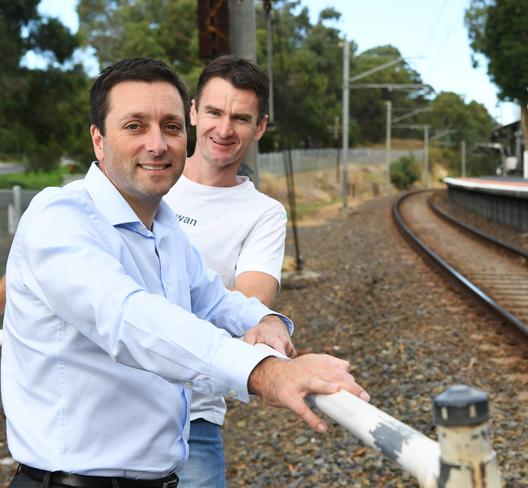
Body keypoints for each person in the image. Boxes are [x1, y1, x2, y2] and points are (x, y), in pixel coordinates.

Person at [1, 57, 369, 488]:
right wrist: (266, 371)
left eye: (171, 127)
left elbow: (214, 299)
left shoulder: (166, 228)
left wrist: (263, 320)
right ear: (98, 140)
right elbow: (129, 319)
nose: (157, 144)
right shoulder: (61, 216)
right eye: (135, 126)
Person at [164, 56, 284, 488]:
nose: (224, 128)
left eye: (241, 118)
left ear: (261, 127)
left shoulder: (263, 214)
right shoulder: (145, 179)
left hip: (191, 415)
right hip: (108, 402)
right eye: (214, 112)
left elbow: (246, 305)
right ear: (193, 112)